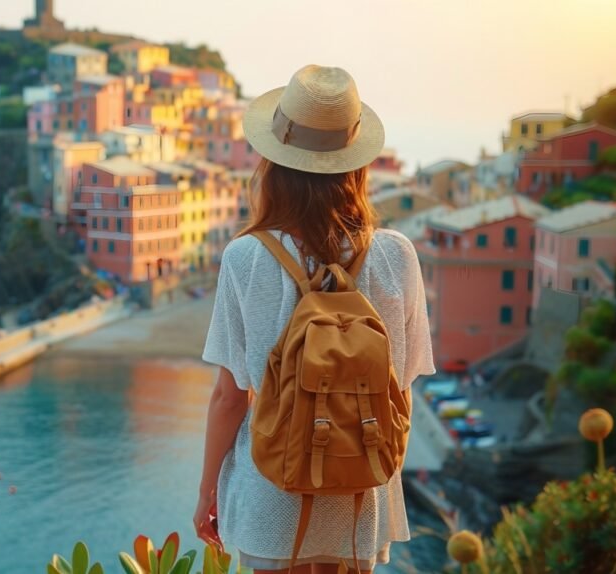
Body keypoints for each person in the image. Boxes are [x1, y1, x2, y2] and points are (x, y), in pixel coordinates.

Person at [193, 65, 435, 574]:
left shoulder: (246, 257)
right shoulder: (396, 255)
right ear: (358, 161)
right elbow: (403, 391)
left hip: (270, 489)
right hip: (362, 494)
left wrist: (207, 491)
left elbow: (230, 396)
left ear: (275, 163)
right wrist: (374, 475)